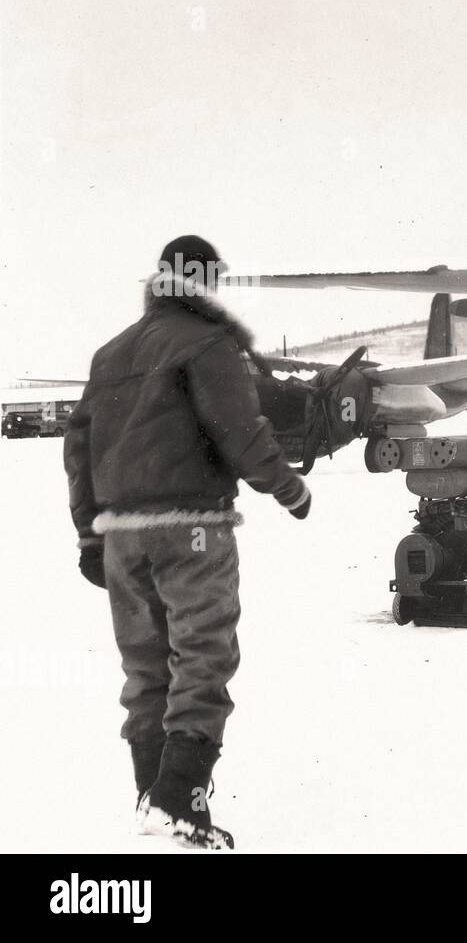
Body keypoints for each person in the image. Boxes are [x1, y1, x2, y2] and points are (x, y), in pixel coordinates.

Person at [64, 235, 311, 849]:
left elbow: (77, 448)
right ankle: (178, 802)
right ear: (204, 280)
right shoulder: (209, 341)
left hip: (121, 534)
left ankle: (157, 802)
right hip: (191, 526)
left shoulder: (109, 353)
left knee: (145, 669)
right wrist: (289, 489)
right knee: (201, 659)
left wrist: (87, 535)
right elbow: (238, 429)